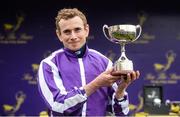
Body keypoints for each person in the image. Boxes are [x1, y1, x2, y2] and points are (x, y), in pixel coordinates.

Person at [37, 8, 140, 116]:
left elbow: (120, 113)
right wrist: (96, 84)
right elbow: (58, 105)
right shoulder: (49, 64)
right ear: (59, 35)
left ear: (86, 30)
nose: (73, 36)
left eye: (77, 30)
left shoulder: (104, 62)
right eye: (67, 32)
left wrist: (120, 90)